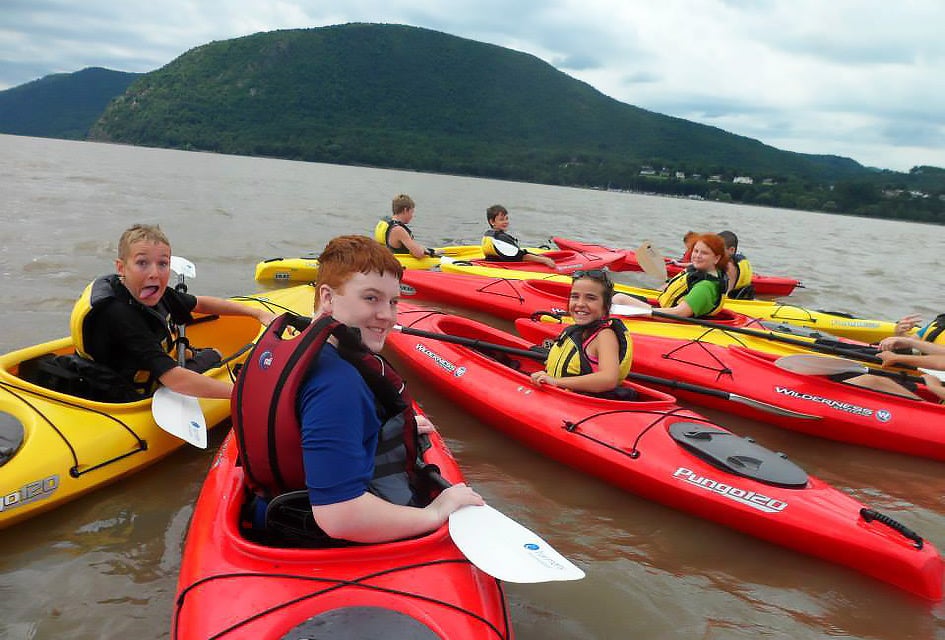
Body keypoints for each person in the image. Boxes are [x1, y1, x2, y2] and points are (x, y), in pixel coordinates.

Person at [238, 235, 483, 544]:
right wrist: (435, 511)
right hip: (315, 538)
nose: (387, 316)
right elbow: (339, 516)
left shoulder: (292, 352)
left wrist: (386, 428)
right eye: (371, 298)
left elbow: (305, 424)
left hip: (271, 513)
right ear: (327, 298)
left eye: (393, 302)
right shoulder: (338, 384)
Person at [69, 224, 276, 400]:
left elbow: (200, 304)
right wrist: (244, 394)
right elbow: (175, 381)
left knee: (203, 353)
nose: (154, 273)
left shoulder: (142, 289)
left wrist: (256, 313)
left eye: (163, 264)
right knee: (216, 354)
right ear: (121, 268)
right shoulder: (119, 314)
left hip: (116, 370)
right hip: (120, 394)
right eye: (142, 263)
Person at [530, 268, 634, 398]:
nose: (580, 304)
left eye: (590, 298)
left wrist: (556, 381)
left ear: (605, 307)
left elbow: (608, 379)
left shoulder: (605, 336)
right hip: (560, 393)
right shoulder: (577, 331)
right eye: (575, 296)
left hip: (582, 403)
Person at [612, 233, 729, 318]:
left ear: (716, 258)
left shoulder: (705, 287)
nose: (697, 255)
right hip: (663, 306)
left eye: (704, 253)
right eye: (696, 251)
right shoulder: (701, 271)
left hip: (666, 318)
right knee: (612, 295)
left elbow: (679, 314)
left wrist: (639, 311)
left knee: (618, 298)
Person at [844, 314, 945, 401]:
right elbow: (910, 345)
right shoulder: (941, 321)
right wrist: (900, 334)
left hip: (937, 408)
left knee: (870, 381)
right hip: (923, 376)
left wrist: (934, 387)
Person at [481, 204, 556, 268]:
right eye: (501, 219)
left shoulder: (488, 234)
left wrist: (540, 256)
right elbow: (521, 256)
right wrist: (545, 260)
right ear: (492, 221)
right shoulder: (501, 238)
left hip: (493, 264)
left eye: (506, 219)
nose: (505, 222)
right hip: (506, 267)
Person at [373, 193, 438, 259]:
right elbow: (419, 254)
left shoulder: (386, 223)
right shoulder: (398, 230)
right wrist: (422, 249)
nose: (412, 216)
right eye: (411, 212)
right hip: (401, 263)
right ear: (405, 210)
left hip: (391, 258)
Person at [718, 230, 755, 299]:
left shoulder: (729, 267)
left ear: (731, 250)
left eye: (719, 249)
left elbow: (725, 294)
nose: (715, 252)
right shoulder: (735, 262)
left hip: (732, 303)